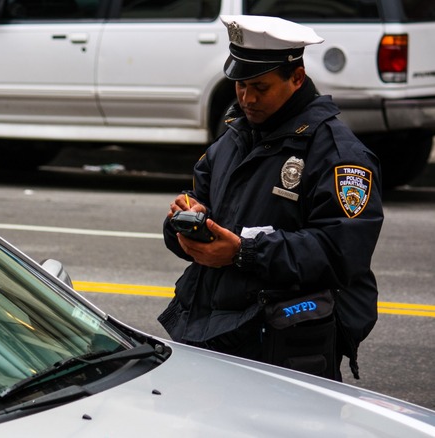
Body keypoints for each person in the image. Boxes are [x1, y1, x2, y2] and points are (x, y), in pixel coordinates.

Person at [158, 15, 384, 381]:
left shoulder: (339, 155)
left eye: (260, 87)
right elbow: (198, 205)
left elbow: (342, 252)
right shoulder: (233, 139)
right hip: (209, 330)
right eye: (240, 85)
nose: (247, 98)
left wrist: (244, 252)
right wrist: (184, 221)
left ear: (296, 78)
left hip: (283, 343)